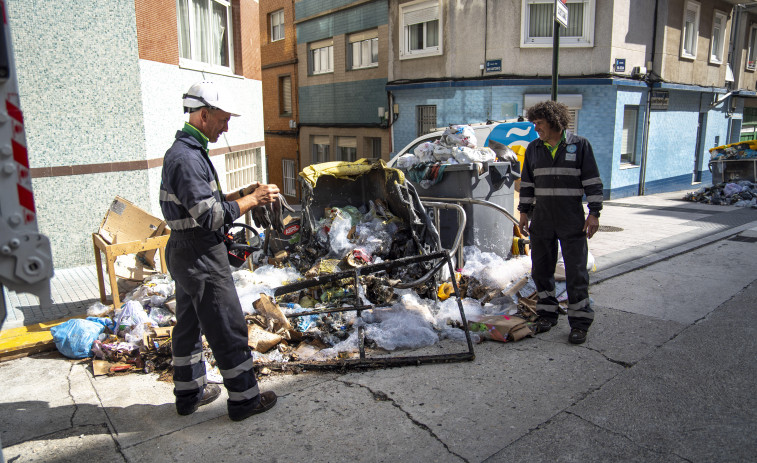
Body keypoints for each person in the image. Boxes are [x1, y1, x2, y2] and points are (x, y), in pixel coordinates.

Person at [159, 81, 279, 420]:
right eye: (222, 119)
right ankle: (244, 400)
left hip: (185, 253)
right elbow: (210, 216)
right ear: (202, 114)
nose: (226, 126)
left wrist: (243, 192)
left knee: (188, 323)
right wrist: (253, 200)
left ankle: (189, 394)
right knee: (227, 325)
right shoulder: (186, 158)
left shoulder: (188, 152)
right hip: (200, 255)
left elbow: (205, 204)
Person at [517, 100, 603, 345]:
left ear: (554, 122)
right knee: (541, 269)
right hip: (542, 218)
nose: (536, 128)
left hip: (571, 219)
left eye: (540, 123)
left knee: (576, 272)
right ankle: (546, 314)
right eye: (534, 123)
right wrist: (524, 212)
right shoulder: (534, 148)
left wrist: (594, 213)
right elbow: (527, 183)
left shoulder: (580, 145)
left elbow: (592, 181)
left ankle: (580, 323)